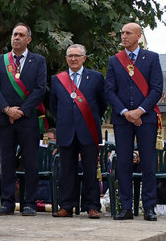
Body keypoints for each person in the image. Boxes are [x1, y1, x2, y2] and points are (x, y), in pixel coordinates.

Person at [105, 22, 163, 221]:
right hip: (122, 119)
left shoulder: (152, 58)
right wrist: (125, 112)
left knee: (148, 163)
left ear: (138, 36)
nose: (123, 36)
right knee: (123, 163)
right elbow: (109, 90)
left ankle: (149, 207)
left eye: (128, 33)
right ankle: (126, 207)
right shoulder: (114, 60)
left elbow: (156, 89)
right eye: (122, 33)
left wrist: (139, 111)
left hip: (146, 118)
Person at [0, 23, 47, 216]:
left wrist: (21, 111)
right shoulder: (0, 60)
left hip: (27, 119)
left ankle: (29, 203)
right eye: (15, 34)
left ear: (28, 39)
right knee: (6, 162)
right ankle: (7, 203)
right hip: (5, 119)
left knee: (30, 162)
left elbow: (40, 89)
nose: (17, 38)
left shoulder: (38, 61)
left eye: (21, 35)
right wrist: (7, 109)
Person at [50, 44, 106, 219]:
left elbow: (102, 104)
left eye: (77, 56)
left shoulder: (96, 77)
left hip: (88, 129)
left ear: (84, 58)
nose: (73, 59)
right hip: (66, 130)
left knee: (90, 169)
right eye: (70, 56)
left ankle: (92, 206)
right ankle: (66, 206)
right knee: (66, 170)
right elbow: (53, 106)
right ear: (66, 58)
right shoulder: (58, 79)